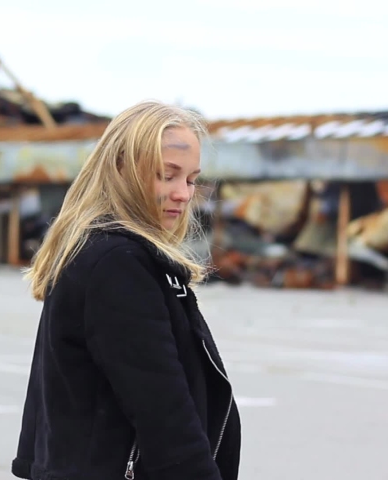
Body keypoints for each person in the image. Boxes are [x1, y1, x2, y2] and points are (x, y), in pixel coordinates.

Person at [12, 100, 241, 480]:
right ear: (122, 170)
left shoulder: (101, 251)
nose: (184, 194)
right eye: (166, 175)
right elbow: (164, 411)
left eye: (190, 179)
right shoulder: (117, 263)